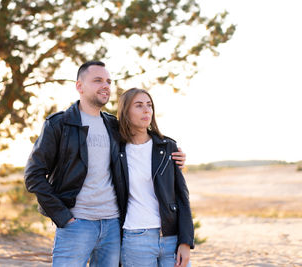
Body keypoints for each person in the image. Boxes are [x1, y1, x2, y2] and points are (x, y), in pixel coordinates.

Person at [24, 61, 186, 267]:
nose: (106, 85)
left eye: (108, 81)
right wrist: (63, 216)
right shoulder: (59, 124)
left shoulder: (113, 126)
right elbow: (33, 176)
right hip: (76, 224)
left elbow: (144, 140)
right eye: (98, 80)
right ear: (79, 86)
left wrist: (174, 154)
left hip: (112, 226)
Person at [117, 88, 194, 267]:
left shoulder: (168, 147)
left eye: (149, 105)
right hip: (136, 239)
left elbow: (182, 197)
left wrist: (185, 241)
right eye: (139, 105)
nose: (146, 110)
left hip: (171, 238)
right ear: (126, 111)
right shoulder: (117, 150)